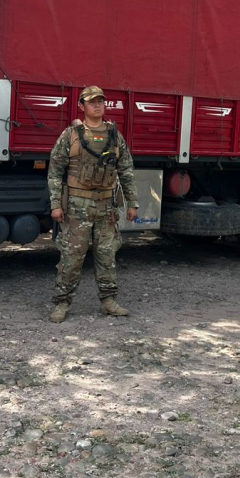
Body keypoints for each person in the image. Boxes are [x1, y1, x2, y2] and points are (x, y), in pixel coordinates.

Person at [46, 86, 139, 322]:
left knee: (107, 255)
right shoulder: (71, 135)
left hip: (106, 206)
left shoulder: (114, 135)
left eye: (101, 101)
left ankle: (108, 300)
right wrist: (56, 203)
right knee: (72, 256)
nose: (97, 105)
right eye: (92, 102)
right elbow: (55, 171)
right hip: (77, 206)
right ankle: (62, 303)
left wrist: (132, 202)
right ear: (82, 106)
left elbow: (125, 170)